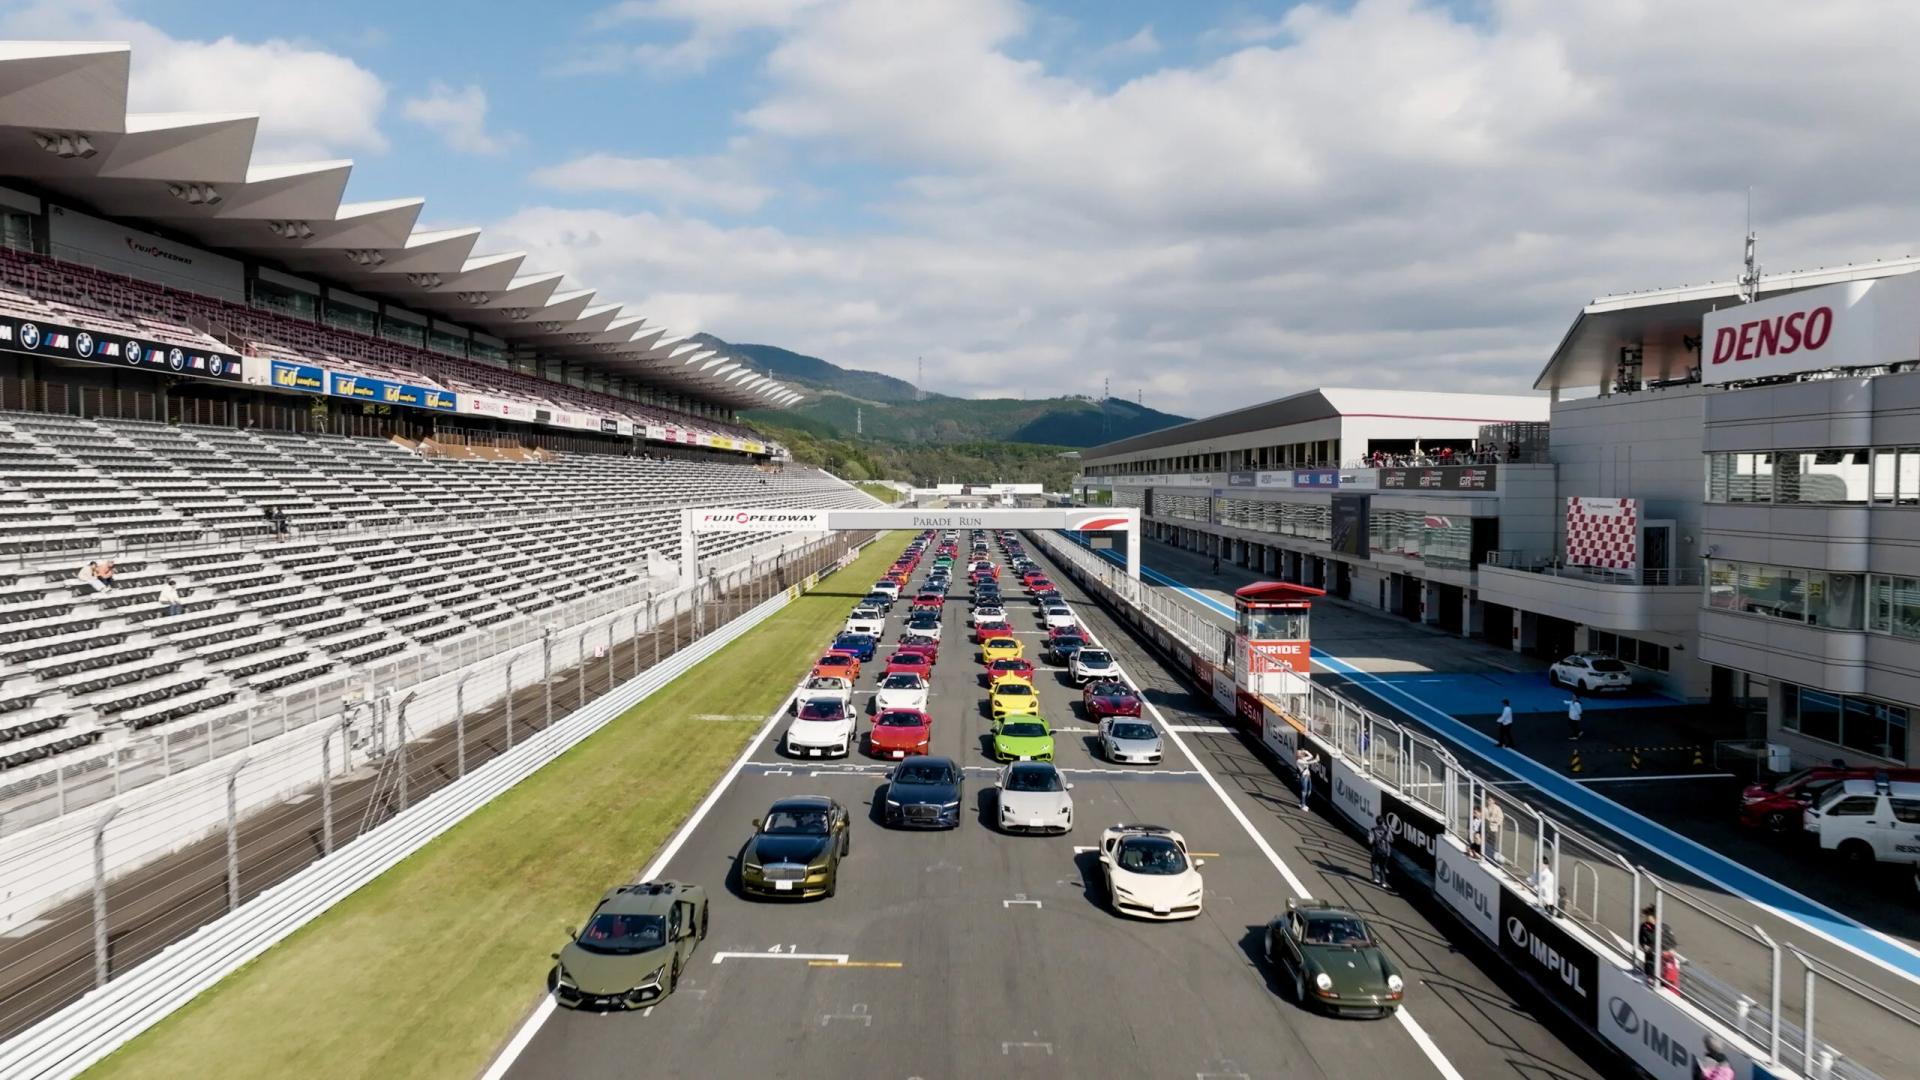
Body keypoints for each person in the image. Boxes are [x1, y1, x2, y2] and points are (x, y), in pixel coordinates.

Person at [1368, 820, 1393, 887]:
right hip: (1386, 851)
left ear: (1376, 822)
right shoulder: (1387, 829)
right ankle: (1383, 882)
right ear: (1383, 822)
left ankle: (1375, 878)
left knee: (1373, 863)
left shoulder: (1373, 830)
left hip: (1376, 851)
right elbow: (1391, 840)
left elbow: (1370, 841)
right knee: (1383, 867)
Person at [1483, 798, 1505, 866]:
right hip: (1485, 828)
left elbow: (1500, 818)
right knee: (1485, 843)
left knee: (1492, 844)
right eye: (1488, 800)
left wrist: (1494, 821)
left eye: (1490, 800)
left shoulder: (1497, 808)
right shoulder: (1485, 808)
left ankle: (1491, 857)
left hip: (1493, 828)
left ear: (1494, 801)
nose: (1488, 801)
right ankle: (1485, 855)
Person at [1295, 747, 1317, 811]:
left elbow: (1311, 756)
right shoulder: (1298, 761)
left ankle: (1302, 802)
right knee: (1304, 791)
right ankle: (1303, 805)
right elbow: (1307, 763)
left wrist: (1306, 751)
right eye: (1300, 753)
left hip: (1308, 776)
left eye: (1301, 753)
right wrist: (1315, 760)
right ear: (1298, 755)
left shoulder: (1304, 758)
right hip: (1304, 777)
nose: (1302, 754)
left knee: (1309, 791)